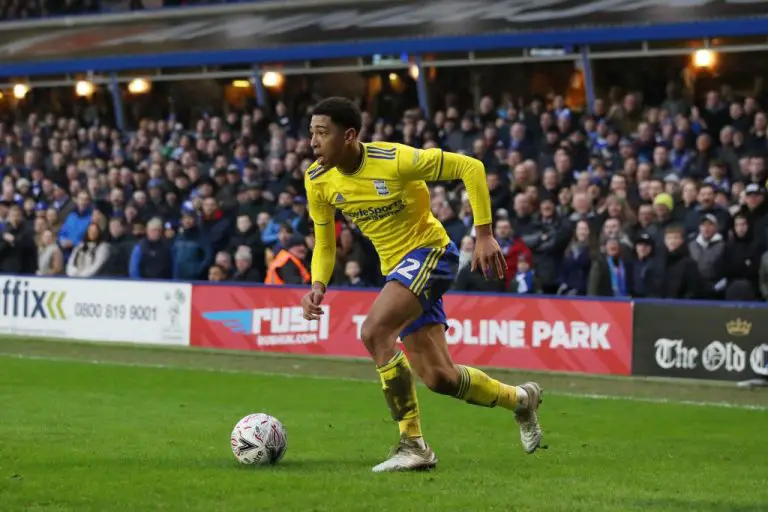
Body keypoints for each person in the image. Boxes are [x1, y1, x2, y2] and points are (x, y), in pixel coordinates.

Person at [301, 97, 542, 473]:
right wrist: (318, 283)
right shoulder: (317, 179)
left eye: (322, 132)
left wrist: (483, 234)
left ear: (349, 135)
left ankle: (413, 444)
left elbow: (470, 166)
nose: (313, 142)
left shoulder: (395, 160)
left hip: (430, 253)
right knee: (440, 378)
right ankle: (521, 399)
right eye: (311, 132)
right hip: (399, 272)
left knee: (375, 332)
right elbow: (325, 242)